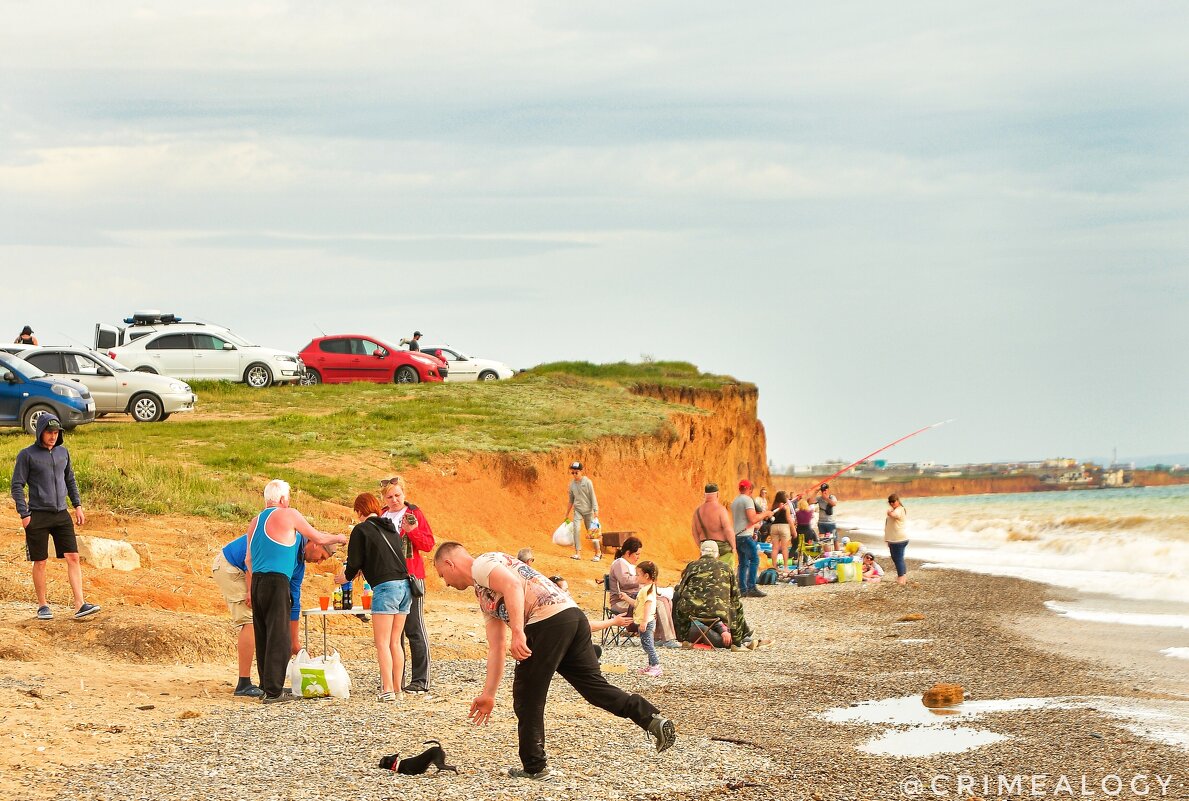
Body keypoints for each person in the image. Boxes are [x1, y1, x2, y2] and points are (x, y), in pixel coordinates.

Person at [433, 542, 676, 780]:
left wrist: (518, 632)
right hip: (573, 619)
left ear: (449, 563)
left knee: (528, 696)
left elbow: (513, 586)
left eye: (442, 574)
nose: (445, 582)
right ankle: (652, 719)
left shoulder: (482, 564)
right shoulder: (484, 595)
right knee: (595, 689)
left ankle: (535, 766)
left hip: (547, 622)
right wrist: (489, 694)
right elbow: (496, 647)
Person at [245, 479, 346, 703]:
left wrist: (253, 583)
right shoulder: (288, 514)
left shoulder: (255, 521)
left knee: (262, 634)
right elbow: (318, 538)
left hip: (258, 580)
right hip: (277, 579)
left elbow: (248, 559)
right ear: (283, 499)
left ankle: (265, 686)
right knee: (278, 635)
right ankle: (274, 692)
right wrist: (339, 538)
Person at [213, 523, 337, 697]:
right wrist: (250, 589)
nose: (319, 562)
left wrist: (294, 642)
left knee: (269, 621)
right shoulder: (290, 540)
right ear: (316, 543)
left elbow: (293, 601)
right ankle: (243, 683)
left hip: (253, 572)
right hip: (233, 565)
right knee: (250, 622)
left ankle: (270, 683)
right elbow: (254, 558)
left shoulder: (299, 565)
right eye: (322, 556)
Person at [10, 414, 99, 621]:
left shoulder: (63, 453)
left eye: (56, 432)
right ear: (40, 432)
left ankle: (80, 604)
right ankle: (43, 606)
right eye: (49, 432)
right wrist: (24, 514)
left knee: (73, 557)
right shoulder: (27, 455)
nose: (53, 436)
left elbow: (70, 480)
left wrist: (77, 505)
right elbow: (16, 485)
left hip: (61, 514)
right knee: (40, 561)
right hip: (37, 516)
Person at [335, 492, 411, 701]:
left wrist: (344, 578)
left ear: (359, 511)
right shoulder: (390, 528)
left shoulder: (361, 530)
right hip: (405, 586)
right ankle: (397, 689)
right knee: (396, 641)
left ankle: (386, 689)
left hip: (385, 587)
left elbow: (354, 561)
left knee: (382, 642)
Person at [379, 476, 435, 693]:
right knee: (394, 633)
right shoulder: (382, 516)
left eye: (398, 495)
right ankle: (395, 680)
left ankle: (421, 680)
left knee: (414, 628)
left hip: (412, 577)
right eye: (390, 496)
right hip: (389, 579)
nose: (394, 500)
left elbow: (428, 544)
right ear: (383, 498)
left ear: (404, 494)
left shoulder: (414, 514)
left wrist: (412, 532)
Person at [672, 540, 756, 649]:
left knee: (678, 599)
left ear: (700, 553)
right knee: (737, 605)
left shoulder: (692, 566)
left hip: (693, 611)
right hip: (719, 613)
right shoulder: (726, 567)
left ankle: (684, 639)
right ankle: (737, 643)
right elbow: (735, 595)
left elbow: (681, 589)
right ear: (718, 554)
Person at [607, 537, 679, 647]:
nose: (638, 557)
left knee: (665, 600)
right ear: (628, 553)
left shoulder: (629, 565)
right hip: (622, 602)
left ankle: (660, 636)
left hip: (635, 597)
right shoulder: (619, 563)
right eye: (637, 554)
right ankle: (667, 639)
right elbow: (625, 581)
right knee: (658, 603)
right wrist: (645, 580)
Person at [731, 479, 775, 598]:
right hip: (745, 536)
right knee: (754, 559)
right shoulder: (747, 500)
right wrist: (766, 514)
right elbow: (752, 518)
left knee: (743, 563)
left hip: (737, 536)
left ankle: (742, 589)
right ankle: (751, 587)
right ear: (750, 489)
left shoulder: (735, 501)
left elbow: (744, 520)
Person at [563, 461, 602, 561]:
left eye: (576, 472)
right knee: (576, 529)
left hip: (588, 511)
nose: (575, 475)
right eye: (573, 473)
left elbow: (592, 496)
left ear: (581, 471)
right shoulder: (571, 484)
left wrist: (595, 510)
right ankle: (577, 553)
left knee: (592, 532)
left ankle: (598, 553)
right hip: (578, 510)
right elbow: (571, 500)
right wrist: (567, 513)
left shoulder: (587, 482)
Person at [691, 483, 736, 567]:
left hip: (705, 546)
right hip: (722, 549)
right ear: (717, 494)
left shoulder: (697, 511)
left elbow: (694, 532)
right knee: (726, 572)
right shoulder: (721, 510)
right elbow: (728, 530)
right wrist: (733, 547)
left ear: (705, 494)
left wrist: (701, 546)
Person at [634, 561, 662, 677]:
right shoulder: (648, 588)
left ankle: (656, 666)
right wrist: (626, 598)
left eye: (638, 575)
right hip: (646, 620)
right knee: (646, 644)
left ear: (646, 576)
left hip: (646, 621)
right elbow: (639, 604)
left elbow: (647, 604)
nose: (636, 577)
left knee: (648, 645)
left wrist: (644, 621)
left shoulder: (648, 590)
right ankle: (651, 665)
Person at [884, 493, 909, 585]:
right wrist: (887, 539)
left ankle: (901, 578)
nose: (891, 503)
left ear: (897, 501)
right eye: (890, 502)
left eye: (893, 501)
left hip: (899, 539)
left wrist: (890, 513)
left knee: (898, 559)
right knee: (897, 558)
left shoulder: (900, 509)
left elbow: (895, 515)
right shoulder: (895, 510)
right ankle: (903, 576)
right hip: (894, 539)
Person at [768, 491, 793, 569]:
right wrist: (793, 530)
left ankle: (774, 566)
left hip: (774, 527)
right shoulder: (786, 507)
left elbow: (769, 515)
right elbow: (789, 518)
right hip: (784, 527)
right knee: (784, 548)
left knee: (775, 548)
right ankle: (785, 566)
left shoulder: (773, 506)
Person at [814, 483, 839, 549]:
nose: (824, 492)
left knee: (835, 539)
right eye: (822, 490)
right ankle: (826, 554)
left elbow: (834, 503)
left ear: (828, 490)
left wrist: (826, 498)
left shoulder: (832, 497)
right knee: (824, 540)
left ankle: (838, 553)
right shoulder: (819, 498)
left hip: (831, 522)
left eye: (825, 490)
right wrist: (815, 492)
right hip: (821, 523)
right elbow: (810, 502)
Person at [794, 497, 817, 566]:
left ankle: (797, 558)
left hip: (799, 530)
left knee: (799, 545)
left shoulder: (797, 513)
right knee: (807, 546)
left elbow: (796, 521)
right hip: (808, 530)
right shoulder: (809, 513)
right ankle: (805, 561)